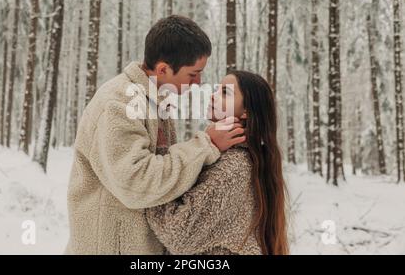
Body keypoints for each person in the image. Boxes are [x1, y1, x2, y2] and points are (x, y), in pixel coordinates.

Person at [65, 15, 245, 254]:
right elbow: (136, 183)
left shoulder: (155, 102)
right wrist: (206, 144)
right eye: (193, 74)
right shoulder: (118, 105)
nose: (198, 82)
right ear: (162, 69)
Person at [146, 71, 289, 255]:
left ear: (245, 112)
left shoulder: (233, 166)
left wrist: (152, 170)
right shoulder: (230, 157)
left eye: (225, 93)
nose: (213, 96)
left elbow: (179, 234)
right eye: (216, 90)